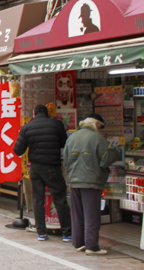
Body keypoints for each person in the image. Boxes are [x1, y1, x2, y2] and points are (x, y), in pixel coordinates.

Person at [63, 113, 121, 255]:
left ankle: (78, 243)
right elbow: (105, 159)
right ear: (97, 124)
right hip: (91, 181)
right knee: (91, 214)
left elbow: (66, 159)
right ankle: (92, 246)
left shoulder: (73, 137)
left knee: (77, 214)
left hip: (74, 180)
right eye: (101, 127)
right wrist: (116, 151)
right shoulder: (98, 138)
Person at [13, 104, 72, 242]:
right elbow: (64, 143)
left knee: (38, 200)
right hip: (53, 167)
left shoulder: (27, 127)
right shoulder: (57, 124)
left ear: (34, 114)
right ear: (48, 114)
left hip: (36, 168)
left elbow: (18, 150)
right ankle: (67, 233)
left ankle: (41, 232)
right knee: (60, 199)